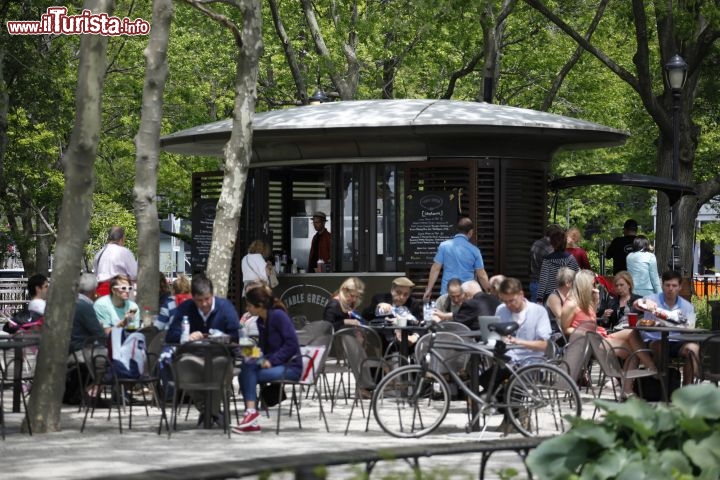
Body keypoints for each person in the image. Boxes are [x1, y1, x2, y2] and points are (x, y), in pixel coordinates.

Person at [561, 270, 656, 398]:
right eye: (592, 284)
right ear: (583, 285)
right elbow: (565, 329)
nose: (594, 288)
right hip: (587, 342)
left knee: (633, 344)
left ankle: (627, 388)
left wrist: (595, 303)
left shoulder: (586, 302)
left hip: (598, 336)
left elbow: (591, 321)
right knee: (632, 337)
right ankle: (650, 367)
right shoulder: (571, 304)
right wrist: (585, 332)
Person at [233, 285, 302, 434]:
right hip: (274, 363)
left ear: (259, 306)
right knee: (246, 366)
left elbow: (291, 344)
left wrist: (271, 361)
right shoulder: (260, 321)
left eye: (249, 305)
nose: (247, 308)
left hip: (291, 367)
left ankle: (250, 415)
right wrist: (246, 350)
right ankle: (251, 415)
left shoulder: (278, 316)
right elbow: (264, 349)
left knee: (248, 375)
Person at [633, 270, 699, 385]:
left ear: (680, 287)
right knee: (660, 345)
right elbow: (636, 304)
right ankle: (660, 385)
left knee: (693, 348)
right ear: (662, 285)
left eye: (674, 285)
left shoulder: (687, 306)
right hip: (654, 340)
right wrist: (643, 301)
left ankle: (688, 389)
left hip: (676, 341)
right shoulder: (651, 299)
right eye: (667, 285)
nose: (670, 288)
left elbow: (690, 329)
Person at [424, 217, 490, 300]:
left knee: (445, 313)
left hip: (448, 293)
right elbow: (481, 275)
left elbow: (435, 269)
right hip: (466, 294)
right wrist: (488, 292)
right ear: (470, 232)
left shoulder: (444, 246)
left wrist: (429, 289)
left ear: (458, 230)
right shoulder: (475, 250)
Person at [166, 273, 241, 344]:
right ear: (193, 298)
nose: (204, 304)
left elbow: (237, 336)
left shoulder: (225, 307)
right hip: (191, 353)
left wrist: (221, 337)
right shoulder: (185, 308)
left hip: (220, 353)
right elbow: (171, 336)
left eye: (207, 299)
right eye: (199, 300)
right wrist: (186, 337)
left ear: (212, 295)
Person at [495, 277, 552, 365]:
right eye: (505, 302)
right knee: (484, 378)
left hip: (531, 362)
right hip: (507, 361)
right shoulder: (501, 309)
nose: (508, 305)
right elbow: (494, 337)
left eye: (511, 301)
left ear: (521, 295)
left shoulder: (538, 311)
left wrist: (518, 342)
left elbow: (544, 345)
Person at [535, 228, 579, 303]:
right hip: (567, 296)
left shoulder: (547, 260)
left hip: (550, 297)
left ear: (552, 243)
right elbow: (577, 276)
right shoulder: (570, 258)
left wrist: (539, 298)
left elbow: (543, 280)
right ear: (564, 242)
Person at [92, 226, 138, 297]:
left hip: (100, 292)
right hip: (118, 292)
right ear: (122, 239)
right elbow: (134, 274)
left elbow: (95, 274)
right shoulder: (124, 252)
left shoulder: (99, 253)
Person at [69, 273, 105, 354]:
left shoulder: (73, 302)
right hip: (81, 349)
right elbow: (99, 334)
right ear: (94, 290)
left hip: (72, 347)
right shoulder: (84, 306)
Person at [529, 224, 563, 302]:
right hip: (546, 287)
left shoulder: (535, 243)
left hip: (534, 283)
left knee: (534, 312)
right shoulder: (550, 247)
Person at [545, 267, 576, 333]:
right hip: (555, 333)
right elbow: (562, 318)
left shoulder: (570, 296)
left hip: (565, 331)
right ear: (567, 283)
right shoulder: (554, 297)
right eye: (574, 281)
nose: (576, 284)